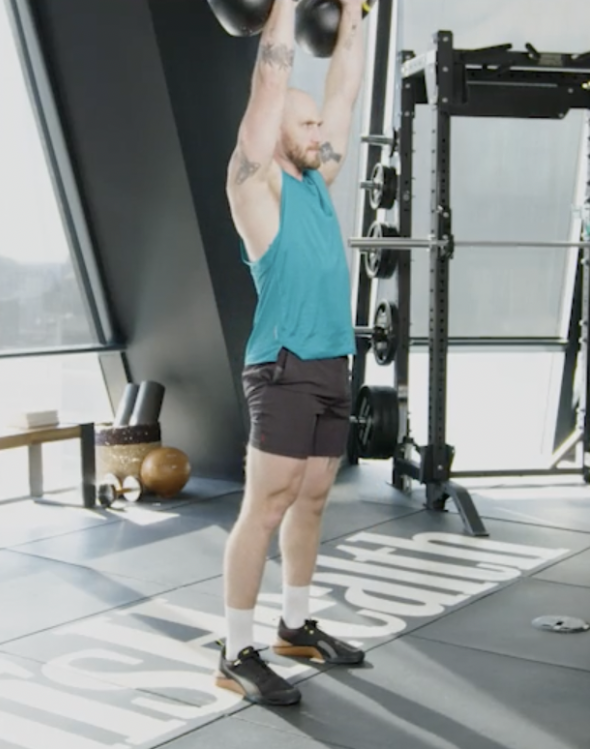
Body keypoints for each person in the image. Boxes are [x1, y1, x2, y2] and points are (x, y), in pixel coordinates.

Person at [215, 0, 368, 707]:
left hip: (332, 361)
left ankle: (296, 625)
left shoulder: (315, 182)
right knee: (267, 505)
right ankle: (235, 647)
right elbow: (269, 86)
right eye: (304, 126)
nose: (320, 132)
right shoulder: (256, 184)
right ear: (274, 133)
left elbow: (343, 90)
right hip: (282, 367)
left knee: (312, 499)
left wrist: (358, 12)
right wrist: (280, 6)